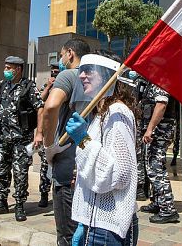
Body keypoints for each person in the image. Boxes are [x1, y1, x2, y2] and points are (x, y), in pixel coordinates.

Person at [65, 55, 138, 246]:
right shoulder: (101, 114)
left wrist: (83, 140)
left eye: (89, 70)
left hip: (107, 229)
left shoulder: (117, 113)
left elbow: (120, 175)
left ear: (107, 75)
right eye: (81, 70)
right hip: (94, 222)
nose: (82, 75)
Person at [41, 38, 91, 246]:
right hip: (87, 167)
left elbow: (51, 107)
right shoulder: (96, 79)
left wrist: (49, 146)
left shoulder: (68, 75)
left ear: (70, 53)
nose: (61, 60)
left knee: (67, 237)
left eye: (62, 55)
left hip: (66, 166)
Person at [0, 56, 43, 221]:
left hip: (21, 139)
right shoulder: (3, 85)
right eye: (5, 67)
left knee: (20, 172)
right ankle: (1, 202)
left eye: (9, 68)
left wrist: (39, 133)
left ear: (18, 69)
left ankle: (20, 205)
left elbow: (40, 109)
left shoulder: (29, 86)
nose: (6, 70)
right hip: (2, 137)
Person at [138, 82, 180, 223]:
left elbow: (161, 105)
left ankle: (168, 210)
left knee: (156, 168)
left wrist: (150, 129)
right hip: (157, 131)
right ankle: (158, 202)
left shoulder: (161, 80)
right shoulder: (153, 81)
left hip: (160, 131)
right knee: (152, 166)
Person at [34, 66, 60, 208]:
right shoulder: (47, 86)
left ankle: (58, 194)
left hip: (60, 132)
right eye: (53, 72)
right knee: (45, 165)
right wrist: (49, 86)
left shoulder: (66, 84)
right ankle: (44, 194)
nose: (54, 74)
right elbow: (39, 101)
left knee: (59, 164)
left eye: (57, 72)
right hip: (48, 132)